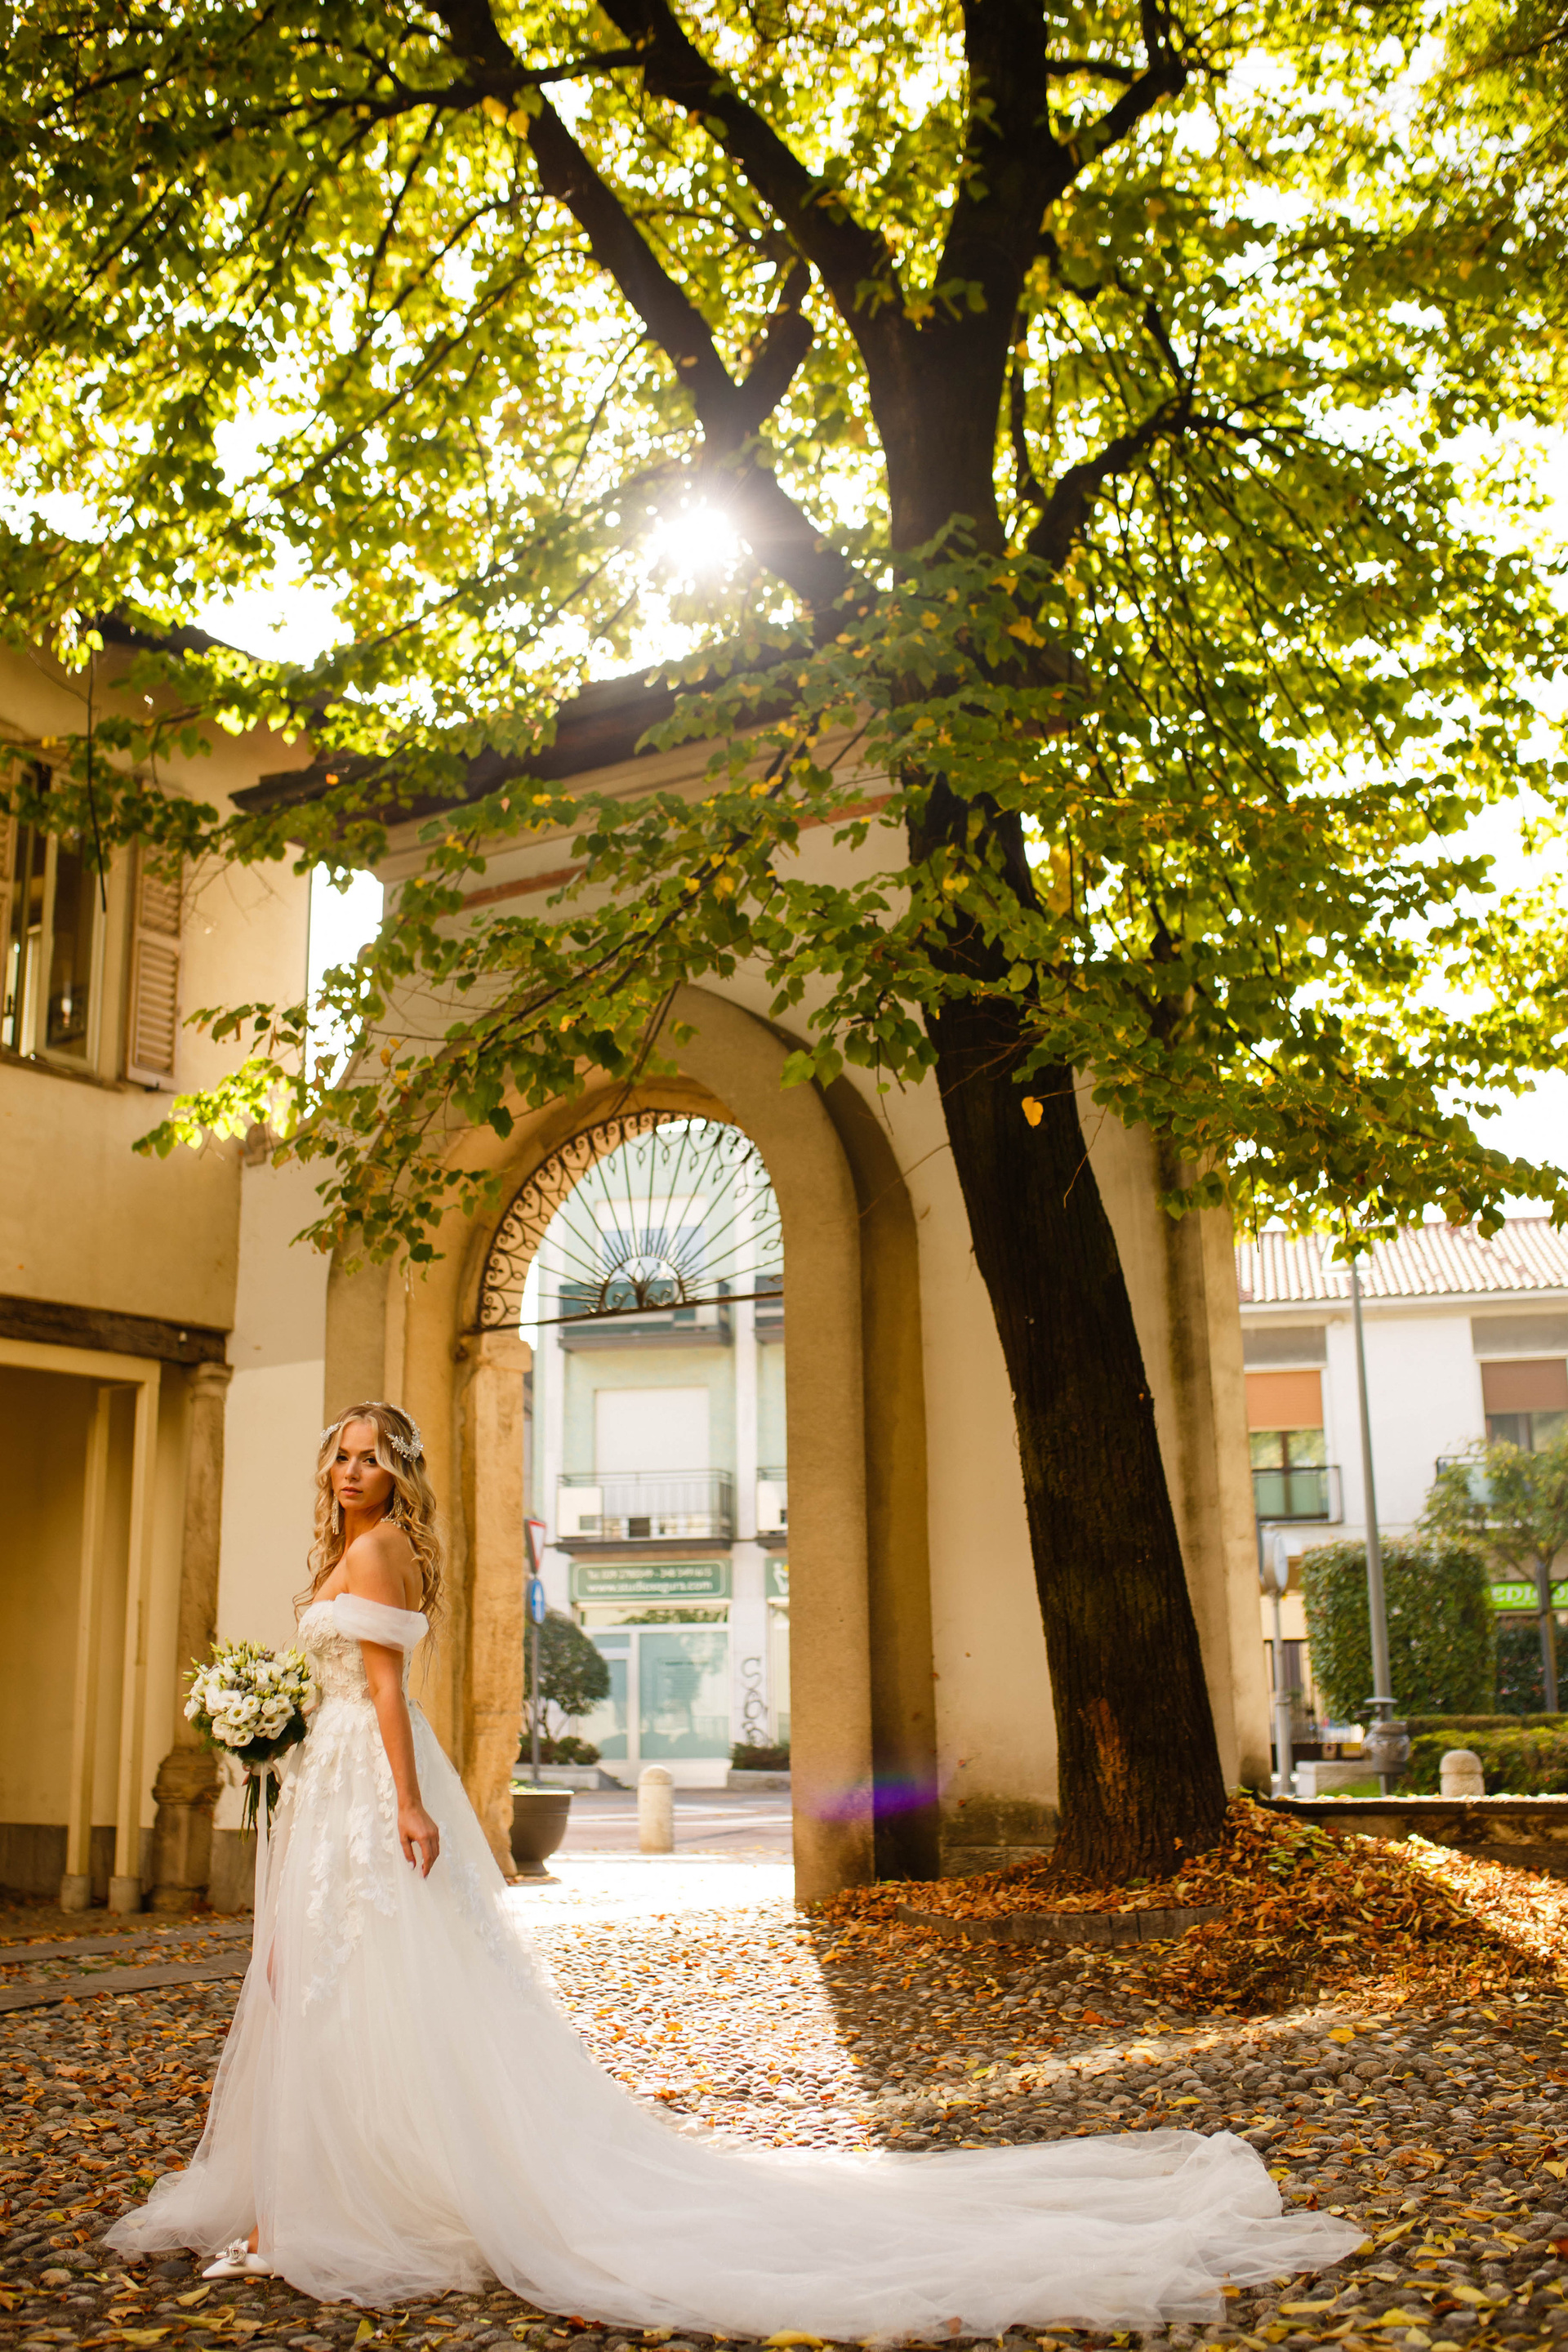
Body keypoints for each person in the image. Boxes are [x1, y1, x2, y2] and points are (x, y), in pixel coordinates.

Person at [108, 1401, 1359, 2332]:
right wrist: (273, 1724)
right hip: (324, 1777)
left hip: (367, 1784)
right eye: (341, 1455)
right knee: (315, 1979)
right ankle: (312, 2192)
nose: (353, 1471)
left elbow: (386, 1694)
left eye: (372, 1457)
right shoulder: (343, 1550)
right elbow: (342, 1686)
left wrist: (409, 1807)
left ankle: (334, 2204)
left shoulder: (380, 1553)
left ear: (399, 1475)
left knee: (358, 1977)